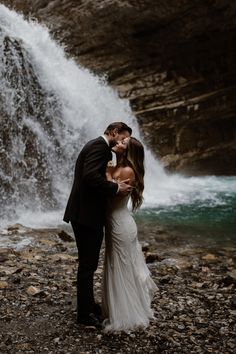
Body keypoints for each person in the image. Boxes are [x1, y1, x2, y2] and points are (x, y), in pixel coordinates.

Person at [63, 122, 132, 327]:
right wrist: (114, 188)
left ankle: (88, 305)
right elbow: (90, 176)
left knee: (89, 263)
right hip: (86, 214)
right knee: (87, 265)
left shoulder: (99, 147)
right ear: (114, 132)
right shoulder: (99, 147)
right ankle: (84, 315)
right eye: (123, 138)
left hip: (85, 212)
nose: (123, 142)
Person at [102, 137, 158, 332]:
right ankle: (117, 308)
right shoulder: (119, 166)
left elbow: (112, 194)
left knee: (122, 266)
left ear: (127, 152)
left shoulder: (126, 171)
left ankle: (127, 315)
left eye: (122, 143)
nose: (117, 143)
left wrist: (108, 173)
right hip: (115, 222)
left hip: (120, 224)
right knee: (116, 264)